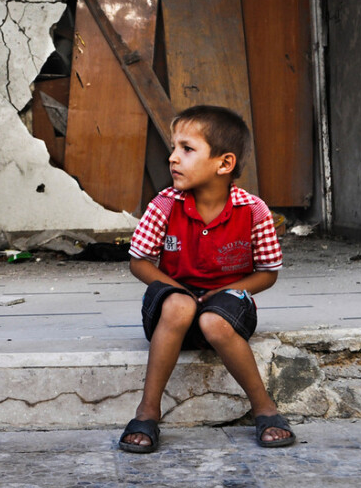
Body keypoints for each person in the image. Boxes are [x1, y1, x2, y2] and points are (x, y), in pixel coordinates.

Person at [118, 105, 295, 453]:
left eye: (186, 149)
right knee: (181, 306)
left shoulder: (253, 211)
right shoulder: (165, 205)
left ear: (224, 164)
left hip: (228, 300)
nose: (172, 158)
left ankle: (264, 408)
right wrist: (179, 290)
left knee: (215, 321)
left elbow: (267, 274)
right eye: (173, 147)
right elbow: (139, 262)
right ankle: (148, 412)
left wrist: (222, 291)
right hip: (173, 306)